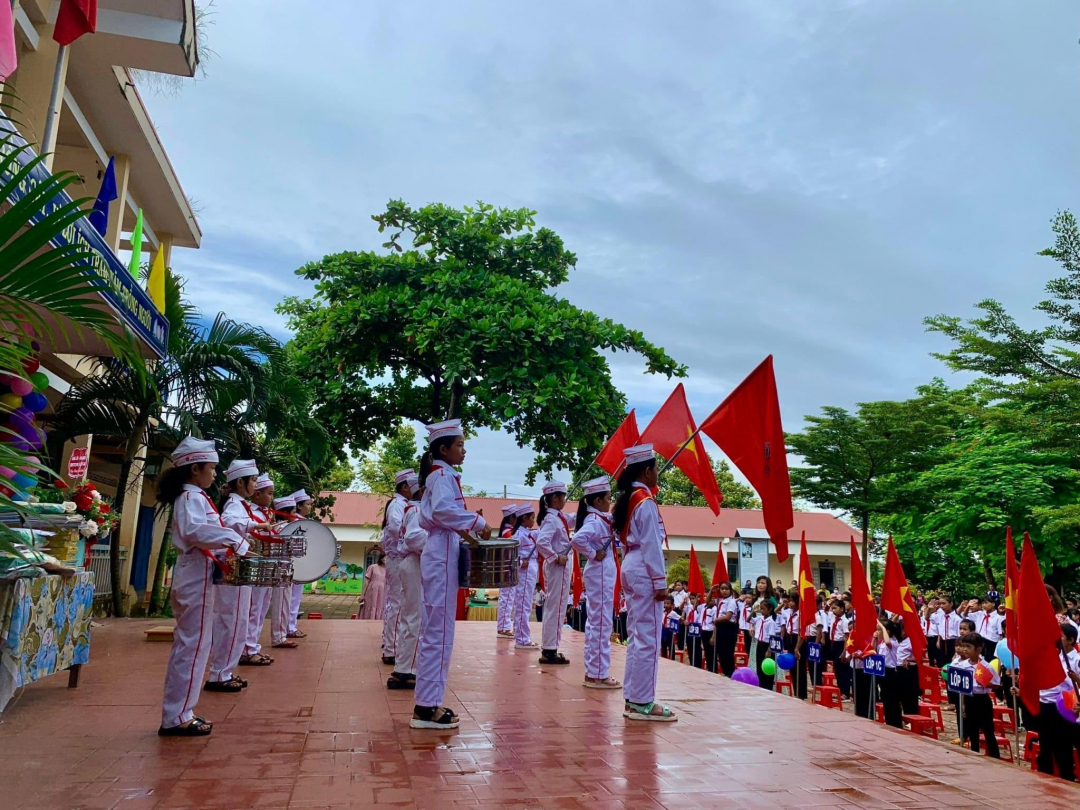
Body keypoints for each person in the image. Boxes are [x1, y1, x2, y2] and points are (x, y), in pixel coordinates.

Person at [158, 437, 252, 736]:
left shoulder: (195, 496)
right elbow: (195, 531)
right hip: (195, 573)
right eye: (210, 468)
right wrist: (233, 539)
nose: (215, 474)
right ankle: (177, 717)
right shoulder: (190, 498)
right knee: (193, 645)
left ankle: (181, 711)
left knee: (195, 644)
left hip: (199, 572)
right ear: (194, 468)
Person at [411, 419, 490, 729]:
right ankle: (426, 707)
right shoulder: (442, 476)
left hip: (443, 548)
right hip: (441, 552)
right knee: (438, 633)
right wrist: (477, 523)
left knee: (438, 631)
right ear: (443, 449)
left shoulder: (442, 476)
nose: (464, 449)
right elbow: (444, 513)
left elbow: (446, 516)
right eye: (459, 444)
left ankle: (429, 702)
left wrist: (469, 531)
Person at [616, 444, 676, 721]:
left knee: (637, 636)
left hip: (631, 563)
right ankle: (643, 702)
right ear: (647, 470)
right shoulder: (645, 501)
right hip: (643, 566)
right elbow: (652, 543)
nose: (658, 473)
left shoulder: (628, 498)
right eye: (655, 468)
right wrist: (660, 580)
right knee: (648, 639)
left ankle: (633, 697)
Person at [205, 459, 264, 693]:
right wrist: (255, 526)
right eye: (254, 481)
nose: (256, 485)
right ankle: (219, 674)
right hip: (231, 565)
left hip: (237, 564)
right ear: (241, 482)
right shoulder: (234, 504)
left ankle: (224, 671)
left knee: (236, 619)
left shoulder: (240, 503)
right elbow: (229, 522)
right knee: (230, 619)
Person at [570, 476, 620, 689]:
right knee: (600, 623)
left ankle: (595, 671)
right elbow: (577, 539)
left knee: (599, 622)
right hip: (599, 571)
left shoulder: (600, 519)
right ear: (598, 501)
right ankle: (598, 674)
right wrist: (593, 553)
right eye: (608, 498)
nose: (610, 501)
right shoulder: (594, 521)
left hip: (602, 571)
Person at [388, 471, 426, 690]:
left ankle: (405, 666)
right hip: (413, 561)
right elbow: (413, 538)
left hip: (411, 562)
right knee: (414, 616)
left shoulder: (413, 508)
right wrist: (437, 541)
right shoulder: (417, 509)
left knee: (411, 615)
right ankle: (406, 670)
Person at [534, 480, 573, 665]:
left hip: (559, 568)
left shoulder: (558, 517)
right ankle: (550, 649)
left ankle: (551, 647)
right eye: (563, 496)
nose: (565, 499)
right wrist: (555, 557)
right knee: (556, 608)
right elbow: (542, 542)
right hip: (558, 568)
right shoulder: (551, 519)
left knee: (556, 607)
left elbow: (572, 518)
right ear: (555, 498)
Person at [380, 470, 414, 665]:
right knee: (397, 603)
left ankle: (392, 645)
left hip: (400, 557)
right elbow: (395, 527)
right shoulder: (398, 504)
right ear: (405, 487)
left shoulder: (403, 504)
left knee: (400, 602)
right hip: (397, 557)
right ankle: (390, 648)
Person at [949, 631, 1000, 757]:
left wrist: (984, 683)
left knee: (988, 730)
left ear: (978, 649)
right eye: (964, 646)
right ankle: (974, 754)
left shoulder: (986, 666)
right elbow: (958, 685)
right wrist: (962, 703)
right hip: (969, 699)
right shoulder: (962, 665)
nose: (965, 649)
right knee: (972, 730)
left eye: (969, 647)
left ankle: (995, 756)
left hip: (982, 699)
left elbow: (997, 684)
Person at [513, 504, 541, 649]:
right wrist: (519, 562)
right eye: (532, 518)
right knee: (523, 605)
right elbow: (511, 555)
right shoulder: (519, 535)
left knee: (525, 604)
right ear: (524, 518)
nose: (534, 521)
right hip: (524, 572)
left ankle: (522, 636)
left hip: (530, 570)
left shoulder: (528, 533)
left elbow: (541, 532)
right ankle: (522, 639)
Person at [495, 503, 519, 638]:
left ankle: (504, 626)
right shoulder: (508, 532)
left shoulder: (506, 531)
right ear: (511, 519)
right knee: (507, 598)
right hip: (508, 568)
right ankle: (503, 628)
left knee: (508, 597)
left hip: (508, 568)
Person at [751, 599, 779, 690]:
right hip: (759, 644)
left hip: (767, 646)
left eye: (763, 609)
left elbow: (772, 637)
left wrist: (769, 650)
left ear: (769, 610)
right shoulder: (760, 618)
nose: (761, 611)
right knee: (759, 666)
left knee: (767, 667)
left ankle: (768, 687)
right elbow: (748, 620)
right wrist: (753, 612)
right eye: (761, 609)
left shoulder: (771, 622)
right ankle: (761, 685)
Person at [826, 599, 851, 698]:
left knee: (843, 670)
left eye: (835, 608)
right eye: (832, 608)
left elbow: (846, 637)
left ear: (842, 609)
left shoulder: (845, 621)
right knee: (837, 669)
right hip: (833, 644)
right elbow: (827, 608)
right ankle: (840, 690)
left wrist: (844, 651)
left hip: (841, 645)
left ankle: (845, 692)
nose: (833, 610)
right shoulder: (833, 618)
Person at [714, 581, 739, 676]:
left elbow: (728, 617)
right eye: (722, 589)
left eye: (727, 589)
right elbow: (707, 602)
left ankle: (730, 673)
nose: (724, 591)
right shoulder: (720, 601)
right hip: (721, 626)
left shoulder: (731, 601)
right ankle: (725, 672)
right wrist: (712, 591)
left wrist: (716, 620)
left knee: (727, 653)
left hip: (728, 627)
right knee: (721, 652)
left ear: (731, 590)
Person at [357, 551, 386, 619]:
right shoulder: (372, 567)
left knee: (380, 606)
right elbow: (366, 581)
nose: (385, 559)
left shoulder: (389, 569)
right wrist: (362, 594)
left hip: (383, 592)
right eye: (384, 557)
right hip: (372, 591)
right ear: (380, 558)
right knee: (370, 605)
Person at [700, 593, 718, 673]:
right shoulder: (704, 607)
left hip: (710, 632)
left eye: (713, 599)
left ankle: (713, 669)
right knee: (706, 651)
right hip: (704, 631)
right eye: (709, 598)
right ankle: (709, 668)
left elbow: (715, 624)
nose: (711, 600)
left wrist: (713, 636)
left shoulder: (715, 609)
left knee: (712, 652)